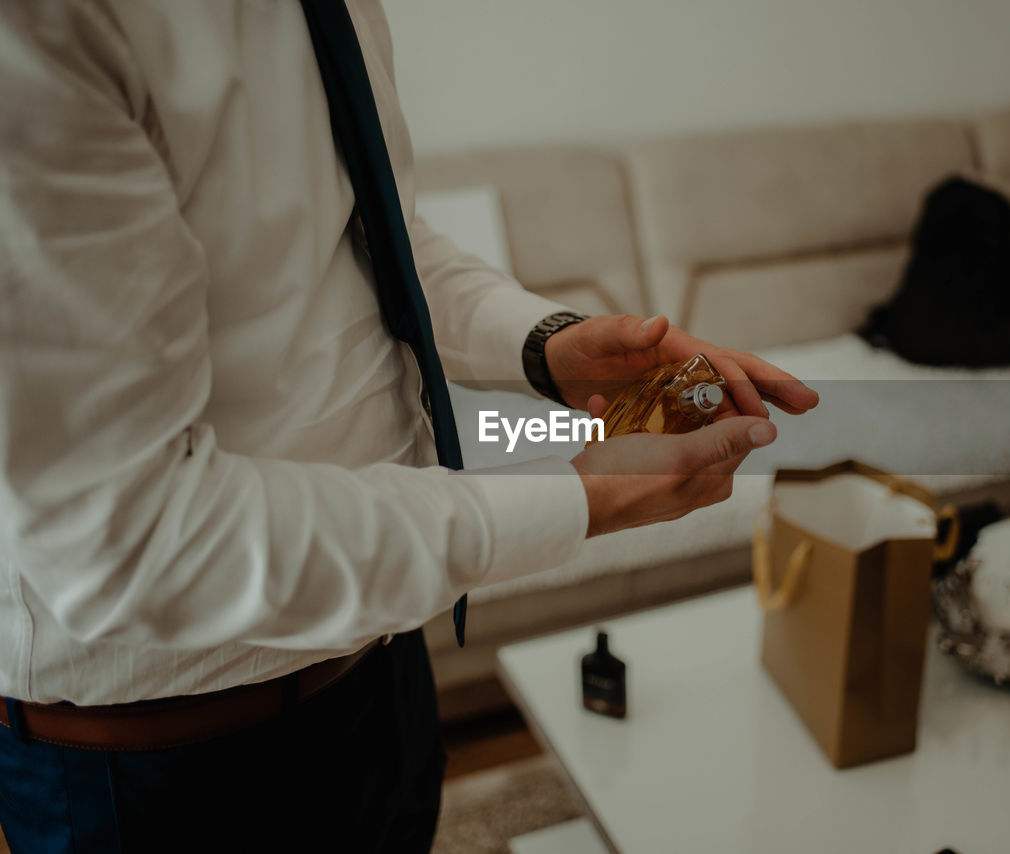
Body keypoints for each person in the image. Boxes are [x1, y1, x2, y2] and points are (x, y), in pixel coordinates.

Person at [0, 2, 818, 852]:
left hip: (382, 669)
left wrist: (548, 346)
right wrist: (580, 497)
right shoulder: (44, 28)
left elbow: (382, 239)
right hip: (162, 763)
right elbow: (132, 541)